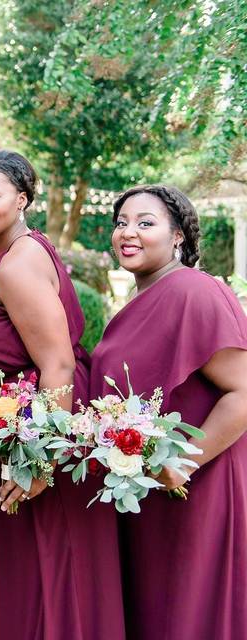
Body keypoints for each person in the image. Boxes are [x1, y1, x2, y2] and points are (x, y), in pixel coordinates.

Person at [0, 150, 125, 639]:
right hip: (36, 426)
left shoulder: (17, 266)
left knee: (50, 575)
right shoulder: (20, 252)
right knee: (45, 575)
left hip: (47, 435)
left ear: (23, 198)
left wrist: (40, 462)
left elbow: (56, 365)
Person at [90, 185, 247, 640]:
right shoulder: (140, 299)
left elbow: (242, 390)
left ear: (178, 235)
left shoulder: (194, 292)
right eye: (121, 223)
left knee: (187, 614)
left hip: (197, 488)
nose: (128, 233)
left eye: (145, 223)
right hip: (147, 494)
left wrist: (185, 461)